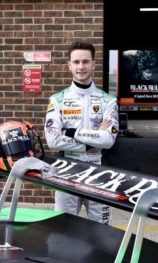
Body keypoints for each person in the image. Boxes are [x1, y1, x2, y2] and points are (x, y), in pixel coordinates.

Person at [44, 40, 119, 225]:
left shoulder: (108, 100)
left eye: (85, 62)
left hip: (99, 172)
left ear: (93, 64)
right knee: (63, 227)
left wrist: (70, 132)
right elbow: (53, 141)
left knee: (102, 229)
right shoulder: (57, 100)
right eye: (76, 62)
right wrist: (92, 140)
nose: (81, 67)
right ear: (69, 65)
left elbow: (108, 139)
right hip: (66, 170)